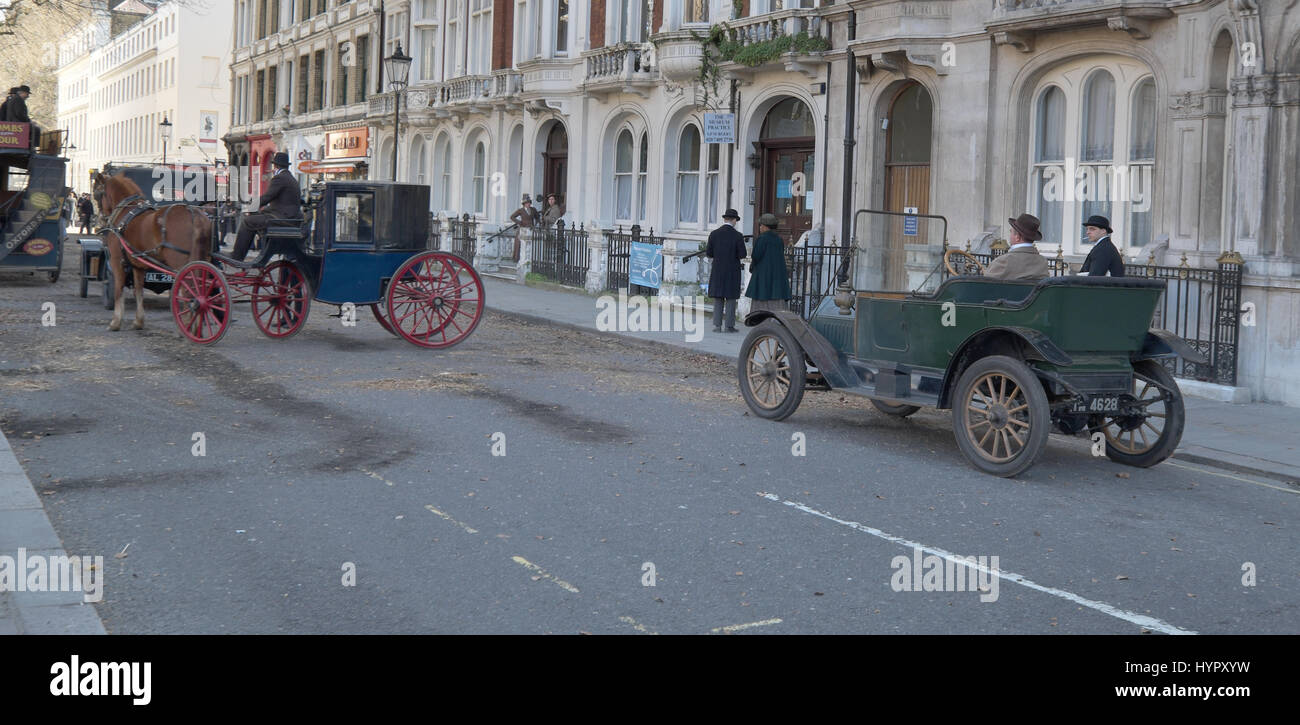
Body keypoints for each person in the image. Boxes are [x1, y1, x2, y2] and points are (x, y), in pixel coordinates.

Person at [229, 152, 302, 262]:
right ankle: (251, 248)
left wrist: (250, 207)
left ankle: (237, 256)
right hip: (289, 218)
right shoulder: (291, 179)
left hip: (282, 219)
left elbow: (267, 197)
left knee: (248, 221)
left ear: (275, 166)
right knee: (256, 218)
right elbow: (280, 202)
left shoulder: (279, 178)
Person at [706, 208, 746, 332]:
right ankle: (729, 325)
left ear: (724, 219)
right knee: (731, 298)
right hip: (732, 270)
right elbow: (742, 254)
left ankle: (717, 325)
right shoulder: (738, 236)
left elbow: (709, 252)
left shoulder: (714, 234)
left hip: (718, 269)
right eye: (736, 220)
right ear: (734, 220)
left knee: (718, 297)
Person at [744, 213, 791, 313]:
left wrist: (753, 266)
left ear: (765, 226)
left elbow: (756, 255)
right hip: (777, 275)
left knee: (762, 300)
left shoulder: (762, 238)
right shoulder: (779, 239)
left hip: (763, 275)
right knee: (776, 300)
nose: (760, 227)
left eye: (761, 225)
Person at [984, 213, 1050, 281]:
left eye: (1011, 232)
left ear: (1017, 237)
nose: (1010, 235)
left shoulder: (1004, 261)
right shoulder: (1043, 262)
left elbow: (986, 286)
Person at [508, 195, 538, 261]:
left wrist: (535, 225)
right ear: (524, 204)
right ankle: (516, 258)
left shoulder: (533, 209)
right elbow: (512, 217)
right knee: (518, 243)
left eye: (529, 203)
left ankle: (529, 259)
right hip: (522, 228)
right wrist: (519, 222)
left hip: (531, 228)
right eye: (526, 203)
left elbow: (537, 218)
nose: (528, 204)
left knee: (529, 244)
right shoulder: (520, 210)